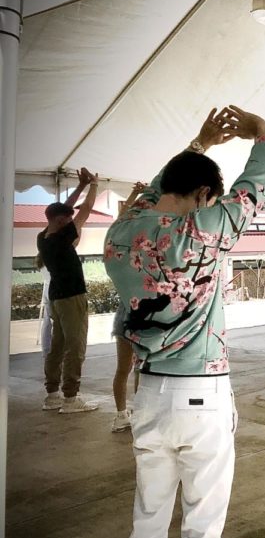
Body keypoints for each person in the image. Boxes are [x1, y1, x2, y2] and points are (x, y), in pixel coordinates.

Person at [104, 106, 265, 538]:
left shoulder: (122, 233)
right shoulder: (205, 231)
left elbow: (155, 192)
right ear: (204, 196)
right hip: (204, 394)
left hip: (151, 393)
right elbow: (255, 186)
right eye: (209, 199)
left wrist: (198, 144)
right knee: (202, 529)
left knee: (148, 523)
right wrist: (261, 134)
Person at [38, 167, 101, 414]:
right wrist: (94, 185)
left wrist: (81, 185)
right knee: (76, 347)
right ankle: (70, 399)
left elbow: (65, 209)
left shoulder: (43, 237)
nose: (69, 220)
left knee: (57, 346)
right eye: (66, 219)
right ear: (59, 221)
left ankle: (52, 395)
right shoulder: (62, 239)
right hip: (72, 297)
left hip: (57, 297)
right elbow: (83, 211)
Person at [111, 182, 146, 433]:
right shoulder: (145, 256)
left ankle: (121, 414)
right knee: (140, 370)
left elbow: (120, 222)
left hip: (123, 317)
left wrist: (135, 195)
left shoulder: (117, 254)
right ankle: (141, 414)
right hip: (139, 318)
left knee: (124, 369)